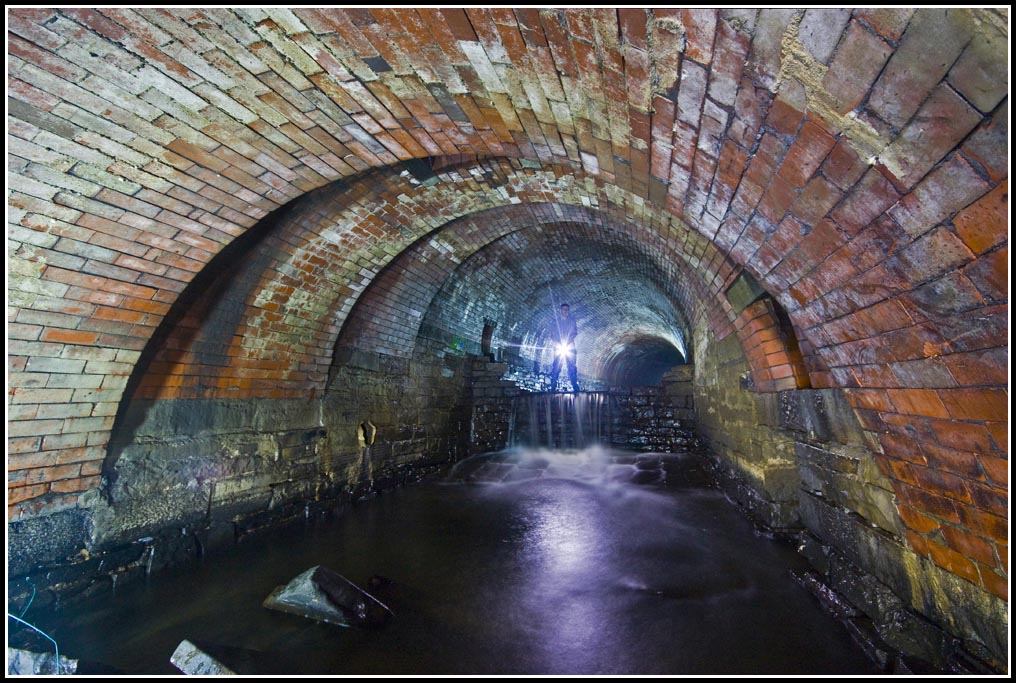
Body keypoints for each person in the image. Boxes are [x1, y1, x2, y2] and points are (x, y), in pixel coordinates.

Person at [548, 303, 579, 393]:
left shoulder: (572, 321)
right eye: (563, 309)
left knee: (572, 367)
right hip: (558, 347)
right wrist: (557, 342)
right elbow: (552, 334)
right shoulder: (555, 322)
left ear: (568, 311)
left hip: (569, 347)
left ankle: (575, 386)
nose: (565, 311)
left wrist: (568, 341)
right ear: (561, 310)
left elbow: (574, 332)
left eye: (566, 309)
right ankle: (553, 386)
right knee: (556, 366)